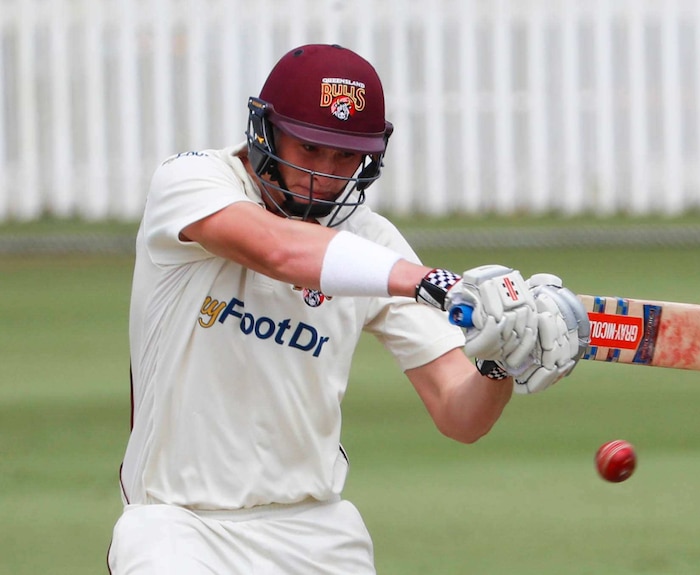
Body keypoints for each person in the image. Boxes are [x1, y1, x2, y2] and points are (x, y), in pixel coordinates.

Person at [107, 43, 590, 574]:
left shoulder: (370, 241)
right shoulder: (192, 181)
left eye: (344, 156)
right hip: (178, 530)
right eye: (309, 148)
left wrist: (498, 360)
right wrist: (431, 283)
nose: (324, 175)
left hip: (316, 532)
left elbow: (460, 415)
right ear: (264, 130)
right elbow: (280, 250)